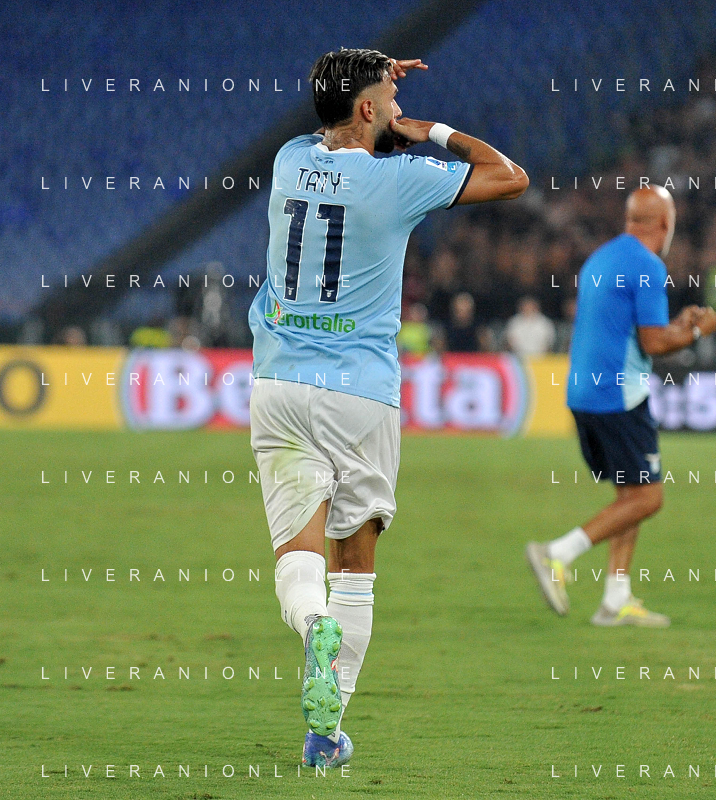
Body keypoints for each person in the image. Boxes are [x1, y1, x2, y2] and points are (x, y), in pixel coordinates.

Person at [247, 48, 527, 767]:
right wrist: (430, 131)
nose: (400, 109)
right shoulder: (398, 179)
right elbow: (509, 176)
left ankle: (310, 627)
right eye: (389, 100)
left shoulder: (287, 161)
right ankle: (324, 735)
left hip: (277, 384)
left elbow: (331, 117)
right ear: (369, 109)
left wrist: (367, 84)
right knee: (354, 564)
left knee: (297, 554)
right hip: (358, 391)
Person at [525, 186, 716, 626]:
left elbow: (629, 330)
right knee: (648, 497)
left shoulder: (602, 258)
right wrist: (697, 331)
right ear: (666, 224)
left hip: (584, 392)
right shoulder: (648, 265)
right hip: (618, 395)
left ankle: (616, 600)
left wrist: (676, 326)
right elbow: (653, 344)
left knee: (630, 494)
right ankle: (557, 554)